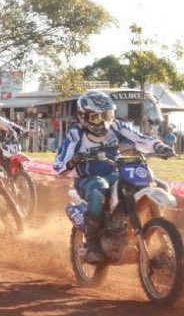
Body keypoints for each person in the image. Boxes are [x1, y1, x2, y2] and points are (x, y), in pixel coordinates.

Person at [53, 90, 174, 263]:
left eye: (107, 115)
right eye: (96, 117)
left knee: (159, 186)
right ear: (83, 116)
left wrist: (159, 147)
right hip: (88, 179)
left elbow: (140, 139)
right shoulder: (75, 134)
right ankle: (92, 245)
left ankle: (163, 241)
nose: (103, 122)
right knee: (99, 189)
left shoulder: (116, 126)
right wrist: (73, 161)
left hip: (115, 172)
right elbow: (58, 165)